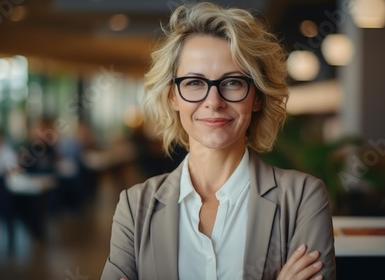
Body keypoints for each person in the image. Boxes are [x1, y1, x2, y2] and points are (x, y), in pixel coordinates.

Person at [101, 2, 336, 280]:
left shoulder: (302, 199)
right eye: (194, 83)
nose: (213, 102)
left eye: (233, 82)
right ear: (173, 96)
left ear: (257, 96)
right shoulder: (134, 206)